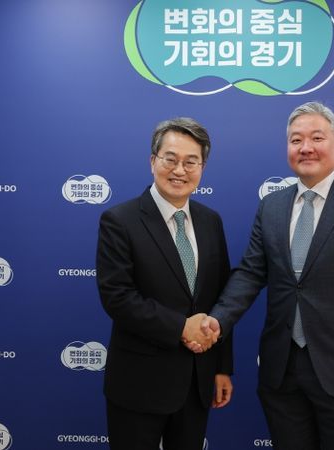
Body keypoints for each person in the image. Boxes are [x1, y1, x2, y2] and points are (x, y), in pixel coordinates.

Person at [200, 102, 334, 449]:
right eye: (296, 140)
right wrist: (217, 320)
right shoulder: (272, 206)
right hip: (281, 371)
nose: (305, 147)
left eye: (317, 138)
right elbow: (251, 273)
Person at [96, 117, 233, 450]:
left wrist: (221, 368)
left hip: (197, 382)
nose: (180, 170)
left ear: (202, 168)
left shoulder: (211, 221)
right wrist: (181, 327)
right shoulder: (119, 221)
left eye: (191, 162)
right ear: (152, 161)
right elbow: (118, 298)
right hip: (139, 383)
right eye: (170, 159)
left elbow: (221, 297)